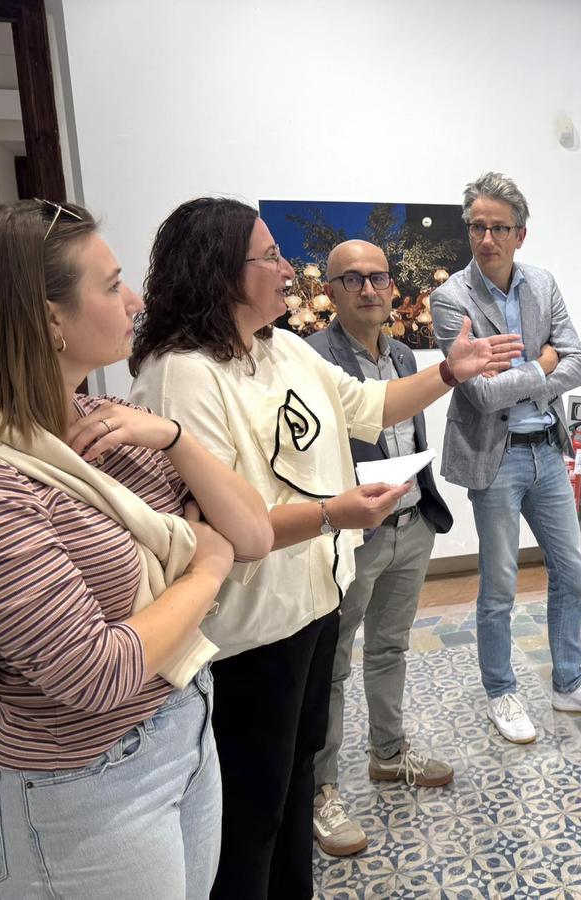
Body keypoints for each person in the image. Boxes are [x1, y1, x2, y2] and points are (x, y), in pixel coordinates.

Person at [128, 198, 520, 900]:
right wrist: (333, 513)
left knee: (295, 783)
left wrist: (451, 372)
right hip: (245, 635)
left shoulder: (281, 348)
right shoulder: (181, 372)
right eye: (270, 257)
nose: (288, 271)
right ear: (219, 273)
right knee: (251, 815)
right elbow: (217, 527)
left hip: (310, 605)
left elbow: (370, 407)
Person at [0, 200, 272, 899]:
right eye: (111, 283)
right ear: (50, 318)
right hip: (86, 780)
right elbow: (97, 673)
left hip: (181, 723)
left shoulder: (105, 422)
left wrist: (175, 438)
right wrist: (204, 568)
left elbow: (253, 535)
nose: (135, 300)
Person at [431, 172, 581, 745]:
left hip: (546, 449)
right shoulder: (452, 300)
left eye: (498, 227)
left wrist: (531, 370)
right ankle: (500, 690)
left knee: (572, 569)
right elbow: (482, 394)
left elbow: (580, 362)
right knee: (500, 585)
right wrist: (541, 365)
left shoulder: (542, 283)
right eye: (476, 226)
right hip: (495, 460)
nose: (485, 238)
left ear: (520, 234)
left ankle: (568, 683)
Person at [305, 241, 454, 857]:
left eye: (378, 277)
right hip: (352, 536)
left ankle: (388, 755)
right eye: (353, 279)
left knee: (390, 646)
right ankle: (321, 791)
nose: (369, 289)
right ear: (332, 292)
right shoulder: (315, 360)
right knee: (332, 664)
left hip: (411, 523)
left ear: (393, 288)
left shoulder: (402, 355)